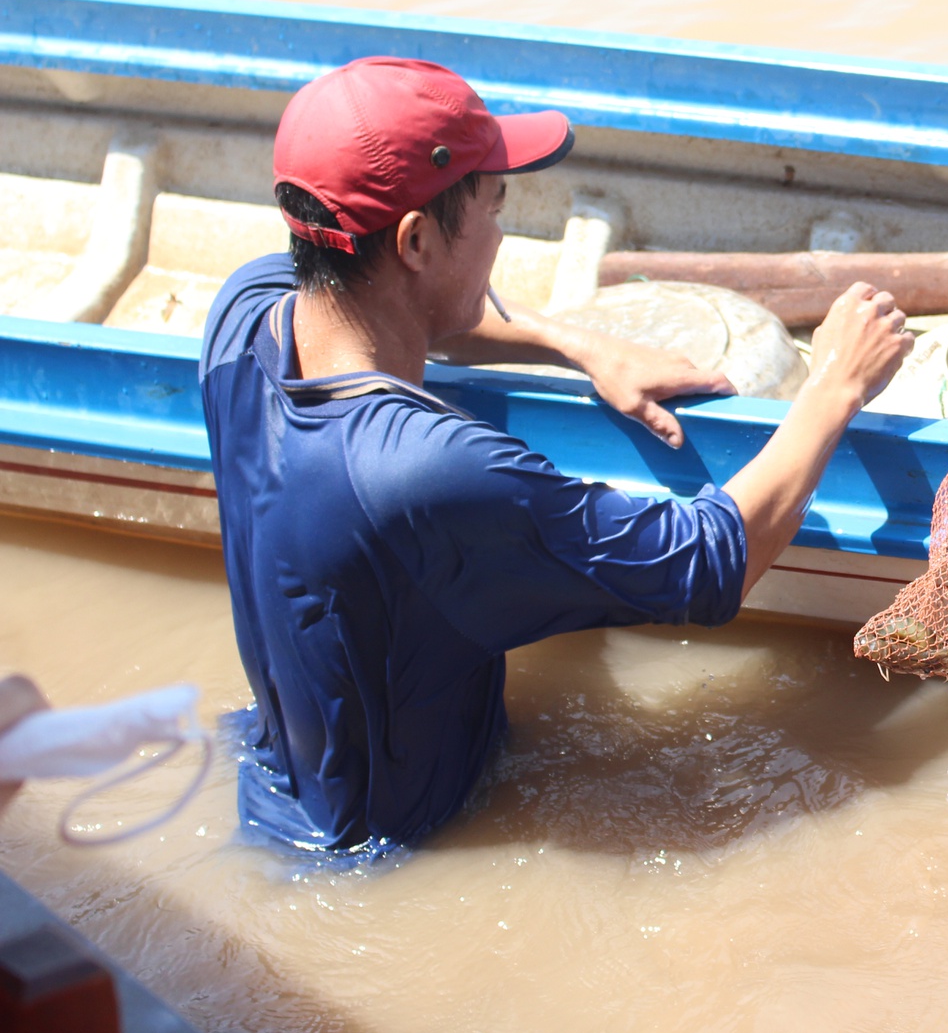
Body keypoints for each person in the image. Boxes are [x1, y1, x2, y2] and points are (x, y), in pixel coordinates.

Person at [201, 57, 912, 852]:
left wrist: (577, 344)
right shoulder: (425, 472)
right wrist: (836, 386)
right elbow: (707, 563)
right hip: (386, 849)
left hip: (275, 782)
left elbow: (408, 311)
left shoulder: (247, 312)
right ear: (414, 239)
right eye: (494, 207)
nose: (502, 236)